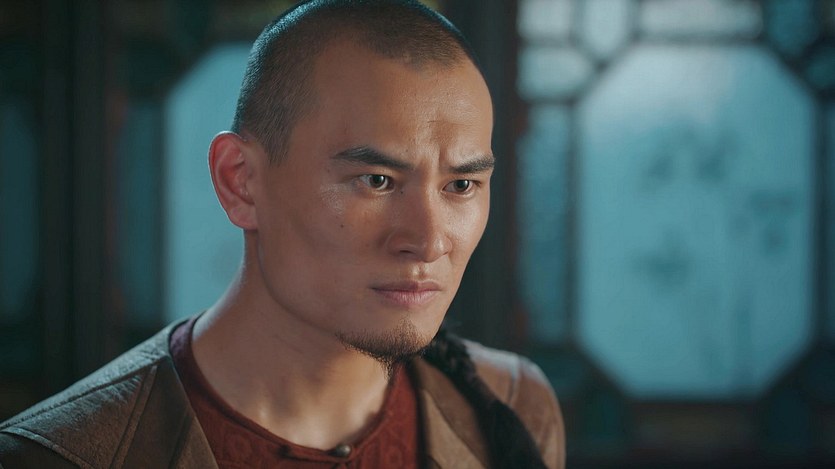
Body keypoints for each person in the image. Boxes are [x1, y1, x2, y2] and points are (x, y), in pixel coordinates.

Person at [0, 1, 565, 467]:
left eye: (461, 185)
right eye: (376, 180)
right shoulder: (58, 455)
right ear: (241, 181)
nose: (429, 240)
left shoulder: (512, 406)